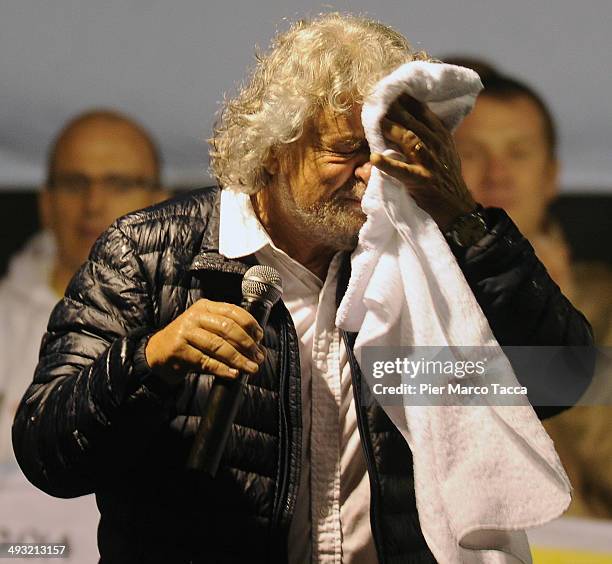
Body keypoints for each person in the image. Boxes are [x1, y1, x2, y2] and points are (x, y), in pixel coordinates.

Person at [12, 15, 592, 563]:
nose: (370, 176)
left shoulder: (424, 251)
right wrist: (149, 361)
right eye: (346, 152)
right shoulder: (147, 251)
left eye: (381, 152)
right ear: (272, 147)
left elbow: (561, 379)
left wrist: (467, 222)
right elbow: (48, 453)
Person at [0, 109, 167, 557]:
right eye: (75, 183)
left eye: (118, 183)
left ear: (161, 200)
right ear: (45, 201)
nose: (94, 203)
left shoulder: (188, 325)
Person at [450, 58, 612, 518]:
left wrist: (562, 333)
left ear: (552, 174)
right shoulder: (398, 299)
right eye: (473, 154)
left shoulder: (606, 303)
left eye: (518, 153)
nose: (498, 174)